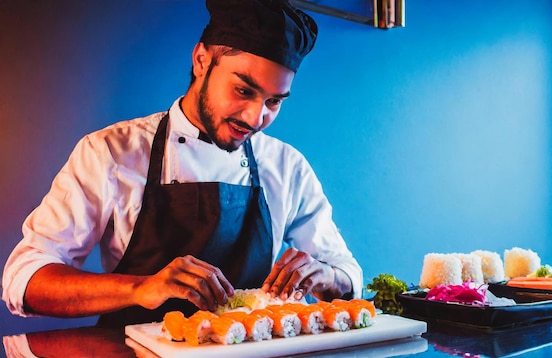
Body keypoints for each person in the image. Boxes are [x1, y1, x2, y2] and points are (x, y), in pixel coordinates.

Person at [2, 0, 362, 328]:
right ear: (202, 59)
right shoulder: (111, 152)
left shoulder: (286, 166)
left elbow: (347, 275)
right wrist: (141, 288)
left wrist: (326, 277)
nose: (255, 117)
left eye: (274, 102)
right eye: (243, 90)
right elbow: (24, 278)